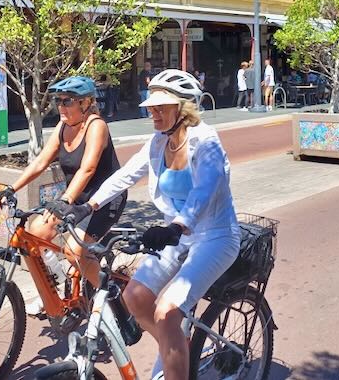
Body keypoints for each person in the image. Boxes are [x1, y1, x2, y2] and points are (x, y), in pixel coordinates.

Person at [77, 70, 240, 380]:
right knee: (134, 296)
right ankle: (176, 344)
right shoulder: (158, 141)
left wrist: (177, 226)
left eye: (160, 107)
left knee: (166, 310)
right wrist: (88, 205)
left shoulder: (206, 142)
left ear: (183, 108)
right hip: (176, 235)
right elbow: (126, 174)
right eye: (151, 107)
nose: (152, 112)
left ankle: (175, 348)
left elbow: (204, 191)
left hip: (215, 237)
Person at [0, 76, 124, 314]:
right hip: (76, 196)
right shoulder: (63, 126)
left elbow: (88, 168)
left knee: (75, 253)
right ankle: (52, 288)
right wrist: (12, 187)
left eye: (68, 101)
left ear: (86, 103)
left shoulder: (97, 126)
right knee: (34, 234)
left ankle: (112, 301)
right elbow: (41, 161)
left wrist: (65, 200)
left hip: (104, 199)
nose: (61, 107)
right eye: (59, 101)